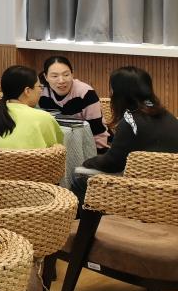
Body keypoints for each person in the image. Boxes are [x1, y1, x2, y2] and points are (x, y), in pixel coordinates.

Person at [72, 67, 178, 203]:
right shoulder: (164, 114)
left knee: (79, 177)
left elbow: (113, 163)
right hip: (169, 182)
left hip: (144, 185)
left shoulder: (131, 120)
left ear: (119, 93)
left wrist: (88, 162)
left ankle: (93, 216)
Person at [0, 65, 63, 149]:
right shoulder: (43, 117)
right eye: (39, 87)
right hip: (30, 167)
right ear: (27, 91)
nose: (41, 91)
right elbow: (57, 149)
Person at [39, 55, 108, 148]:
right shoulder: (40, 92)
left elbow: (97, 130)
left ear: (72, 74)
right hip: (54, 146)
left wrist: (98, 152)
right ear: (46, 77)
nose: (61, 81)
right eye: (55, 76)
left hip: (85, 143)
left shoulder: (85, 92)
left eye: (66, 75)